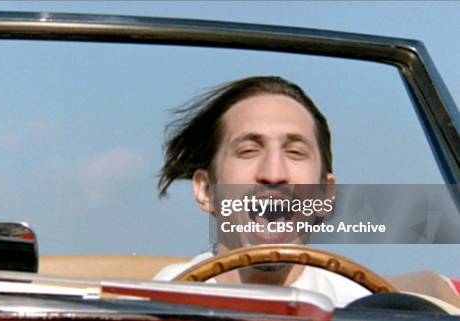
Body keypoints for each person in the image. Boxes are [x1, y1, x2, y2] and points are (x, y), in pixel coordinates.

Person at [154, 76, 369, 307]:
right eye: (248, 150)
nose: (273, 174)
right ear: (206, 191)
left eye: (295, 152)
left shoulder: (363, 308)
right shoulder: (156, 303)